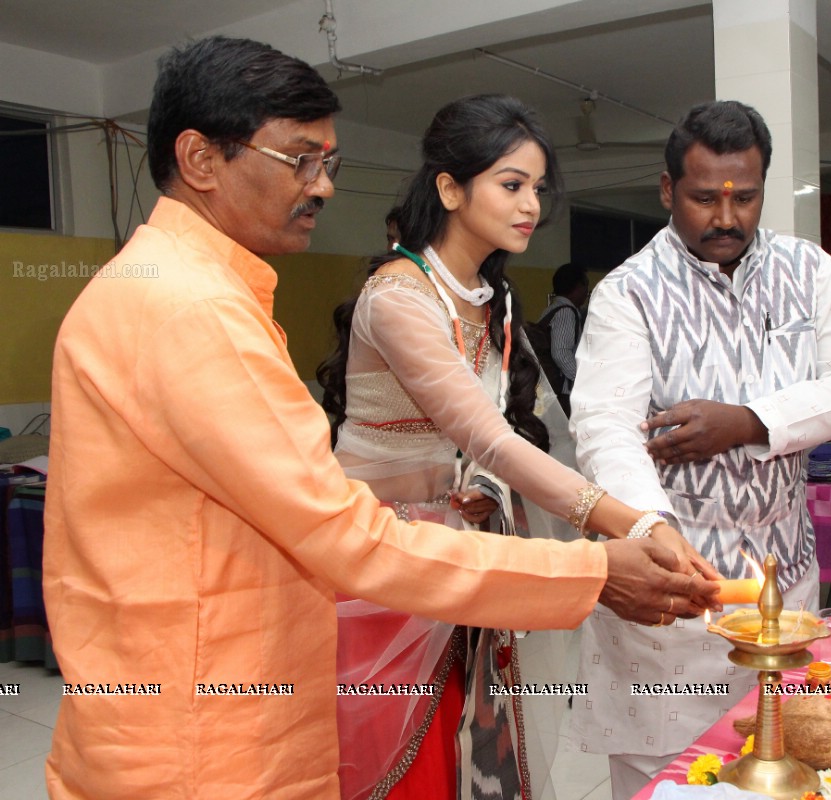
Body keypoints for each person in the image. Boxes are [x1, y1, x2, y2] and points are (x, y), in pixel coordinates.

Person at [42, 38, 717, 800]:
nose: (323, 187)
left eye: (327, 162)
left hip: (203, 699)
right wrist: (593, 568)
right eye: (299, 160)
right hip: (208, 741)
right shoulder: (190, 308)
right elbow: (349, 535)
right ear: (200, 160)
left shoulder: (175, 287)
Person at [316, 94, 719, 800]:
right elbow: (491, 439)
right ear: (449, 188)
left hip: (467, 554)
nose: (531, 204)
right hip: (386, 563)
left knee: (480, 751)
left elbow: (520, 439)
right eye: (511, 184)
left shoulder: (490, 300)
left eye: (536, 188)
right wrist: (631, 522)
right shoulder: (399, 297)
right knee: (401, 766)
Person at [568, 100, 831, 799]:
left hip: (781, 580)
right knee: (668, 783)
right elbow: (606, 427)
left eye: (746, 197)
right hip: (674, 591)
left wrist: (746, 420)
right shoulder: (628, 294)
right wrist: (654, 531)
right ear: (667, 189)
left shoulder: (809, 270)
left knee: (787, 768)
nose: (727, 217)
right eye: (705, 198)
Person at [534, 262, 588, 412]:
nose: (586, 292)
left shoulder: (552, 309)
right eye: (585, 286)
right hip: (561, 392)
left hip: (548, 389)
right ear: (577, 287)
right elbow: (561, 353)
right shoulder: (566, 312)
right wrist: (583, 379)